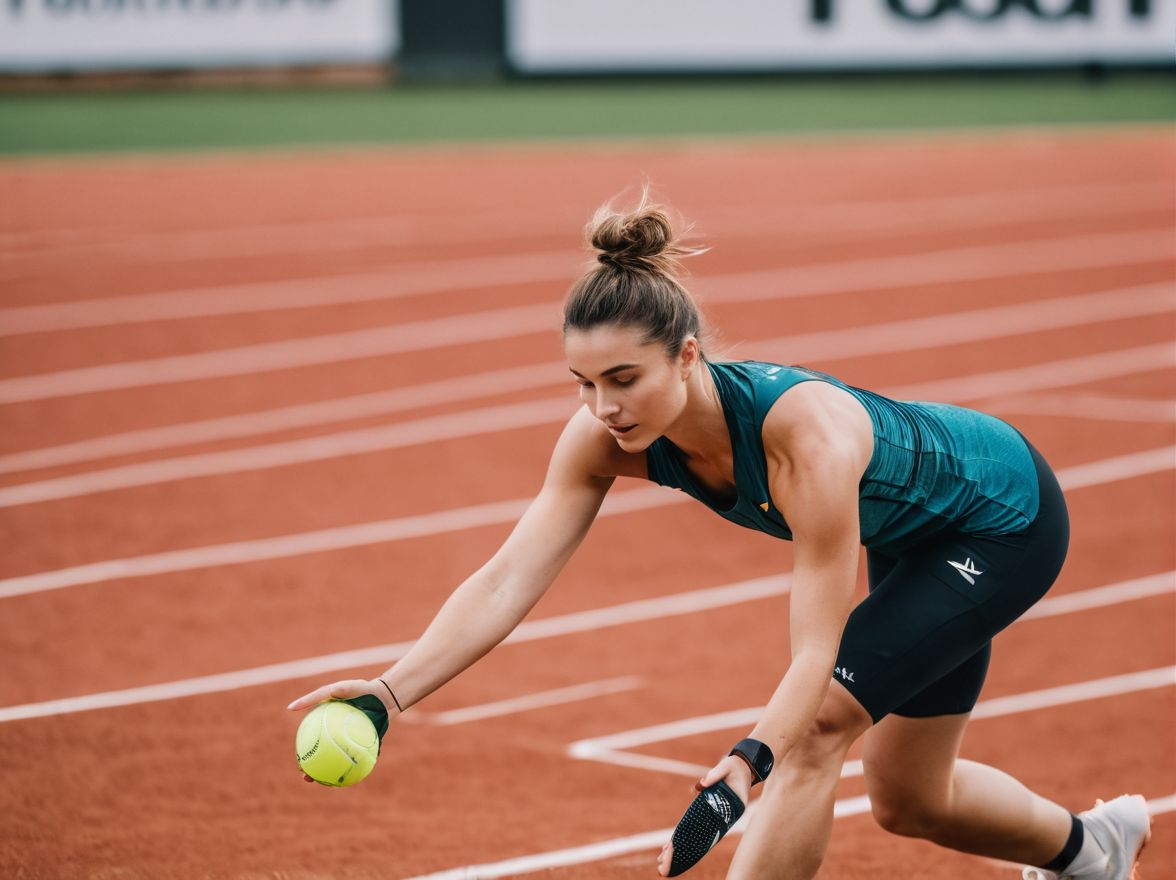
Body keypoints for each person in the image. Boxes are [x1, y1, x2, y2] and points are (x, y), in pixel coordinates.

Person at [287, 193, 1151, 880]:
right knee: (909, 801)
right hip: (913, 534)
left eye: (625, 378)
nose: (603, 408)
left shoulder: (802, 439)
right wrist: (389, 696)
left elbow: (814, 647)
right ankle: (1094, 851)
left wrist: (748, 761)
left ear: (689, 356)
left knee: (816, 730)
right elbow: (508, 577)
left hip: (1001, 517)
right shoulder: (601, 440)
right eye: (583, 383)